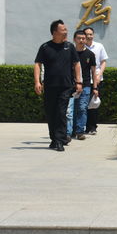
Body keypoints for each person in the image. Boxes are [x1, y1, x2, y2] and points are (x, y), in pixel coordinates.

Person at [34, 20, 82, 152]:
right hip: (49, 86)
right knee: (51, 113)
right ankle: (54, 139)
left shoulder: (69, 47)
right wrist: (37, 82)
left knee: (61, 112)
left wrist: (79, 82)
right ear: (55, 32)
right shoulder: (45, 47)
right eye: (63, 30)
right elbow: (38, 64)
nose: (66, 32)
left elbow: (77, 64)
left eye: (66, 29)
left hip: (66, 86)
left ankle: (60, 140)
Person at [69, 30, 97, 140]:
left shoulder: (90, 54)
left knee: (82, 108)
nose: (81, 40)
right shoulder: (70, 53)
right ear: (74, 39)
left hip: (85, 85)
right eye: (79, 38)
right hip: (71, 85)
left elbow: (94, 72)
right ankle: (71, 131)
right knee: (71, 110)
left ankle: (80, 131)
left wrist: (95, 87)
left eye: (83, 38)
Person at [83, 26, 108, 135]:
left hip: (97, 80)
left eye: (90, 34)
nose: (89, 36)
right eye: (87, 34)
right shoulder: (80, 47)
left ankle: (93, 127)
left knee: (93, 104)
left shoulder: (99, 46)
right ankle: (84, 127)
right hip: (84, 79)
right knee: (83, 104)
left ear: (93, 35)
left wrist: (99, 74)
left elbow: (103, 62)